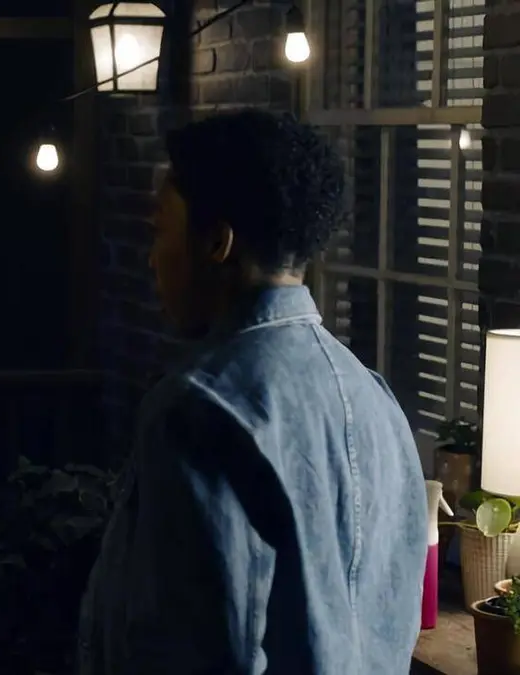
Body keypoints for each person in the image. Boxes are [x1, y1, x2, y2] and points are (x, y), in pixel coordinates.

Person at [78, 110, 426, 674]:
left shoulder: (198, 410)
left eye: (160, 231)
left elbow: (195, 652)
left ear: (217, 242)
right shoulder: (376, 399)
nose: (151, 257)